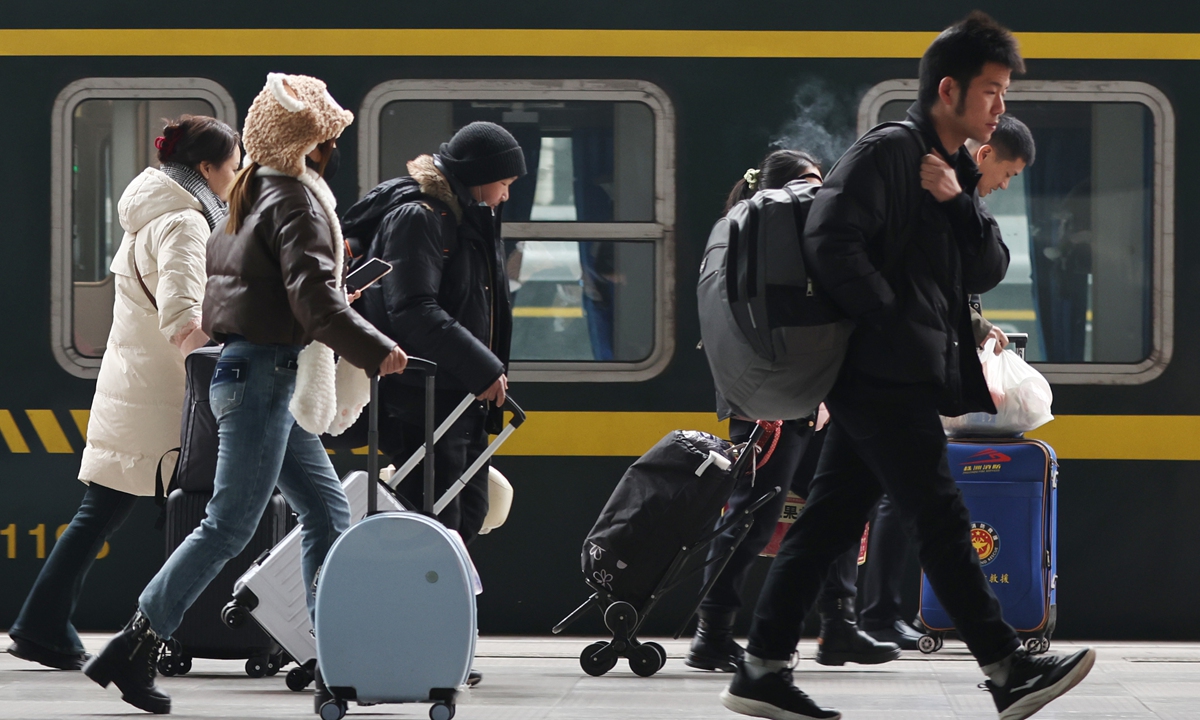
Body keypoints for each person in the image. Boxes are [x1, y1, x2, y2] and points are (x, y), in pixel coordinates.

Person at [720, 13, 1094, 720]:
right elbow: (831, 240)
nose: (1000, 106)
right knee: (941, 516)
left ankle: (761, 668)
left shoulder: (950, 170)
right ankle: (1007, 666)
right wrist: (887, 317)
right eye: (990, 91)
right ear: (948, 90)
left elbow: (987, 265)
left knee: (830, 520)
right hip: (879, 373)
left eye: (1004, 91)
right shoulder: (888, 152)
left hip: (899, 373)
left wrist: (958, 204)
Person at [82, 73, 408, 715]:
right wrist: (376, 348)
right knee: (228, 525)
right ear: (313, 144)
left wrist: (332, 306)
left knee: (324, 512)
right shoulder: (298, 203)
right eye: (328, 139)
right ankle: (135, 645)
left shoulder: (252, 192)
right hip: (263, 378)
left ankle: (332, 659)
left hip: (254, 373)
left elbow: (263, 290)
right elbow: (311, 299)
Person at [5, 116, 240, 672]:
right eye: (232, 167)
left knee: (104, 513)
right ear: (206, 169)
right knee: (191, 517)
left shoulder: (154, 215)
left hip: (137, 388)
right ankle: (83, 628)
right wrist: (223, 379)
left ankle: (43, 623)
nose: (236, 177)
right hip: (163, 398)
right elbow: (184, 319)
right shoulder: (184, 223)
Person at [687, 150, 898, 672]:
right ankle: (715, 631)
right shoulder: (775, 238)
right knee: (756, 516)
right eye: (809, 184)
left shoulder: (753, 235)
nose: (816, 194)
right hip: (782, 402)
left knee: (833, 509)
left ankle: (836, 627)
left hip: (795, 396)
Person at [859, 114, 1037, 650]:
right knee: (905, 499)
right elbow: (932, 281)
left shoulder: (959, 200)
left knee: (863, 498)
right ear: (985, 156)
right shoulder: (941, 193)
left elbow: (956, 281)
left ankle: (852, 620)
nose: (1007, 186)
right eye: (1007, 173)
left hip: (906, 367)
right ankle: (882, 615)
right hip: (900, 369)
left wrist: (978, 324)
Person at [342, 121, 525, 545]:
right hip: (423, 399)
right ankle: (416, 610)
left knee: (468, 515)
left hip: (457, 398)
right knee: (433, 526)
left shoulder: (464, 217)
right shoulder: (418, 217)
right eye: (503, 182)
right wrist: (482, 367)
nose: (506, 195)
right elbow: (412, 308)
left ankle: (442, 608)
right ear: (478, 178)